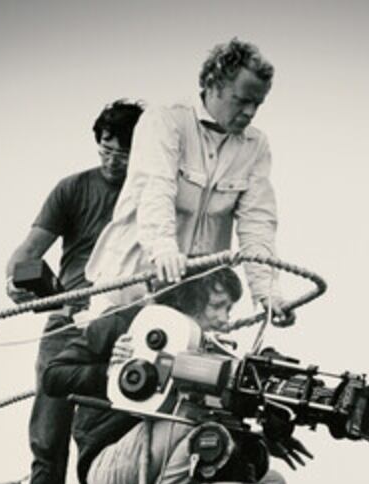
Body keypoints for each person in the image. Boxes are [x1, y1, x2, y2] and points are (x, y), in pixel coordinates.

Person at [2, 99, 145, 484]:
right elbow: (26, 252)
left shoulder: (152, 195)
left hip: (120, 324)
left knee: (104, 435)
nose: (112, 161)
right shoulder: (72, 189)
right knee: (47, 442)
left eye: (122, 153)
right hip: (67, 324)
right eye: (106, 150)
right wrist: (18, 281)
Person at [42, 268, 285, 484]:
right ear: (189, 297)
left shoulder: (211, 348)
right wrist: (111, 370)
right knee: (199, 421)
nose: (224, 318)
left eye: (228, 309)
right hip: (108, 465)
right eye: (217, 305)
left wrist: (269, 430)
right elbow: (53, 376)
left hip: (166, 455)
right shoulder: (126, 322)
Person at [84, 39, 294, 326]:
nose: (250, 112)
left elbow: (257, 224)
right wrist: (163, 249)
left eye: (257, 104)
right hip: (129, 286)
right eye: (242, 100)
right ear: (213, 85)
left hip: (193, 299)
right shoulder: (165, 120)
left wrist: (267, 293)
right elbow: (156, 189)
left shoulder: (255, 146)